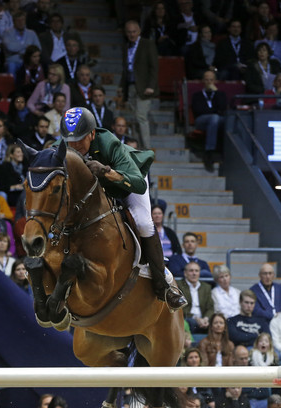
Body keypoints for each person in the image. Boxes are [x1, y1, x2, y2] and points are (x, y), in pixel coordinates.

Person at [58, 106, 186, 309]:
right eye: (69, 140)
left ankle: (165, 285)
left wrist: (107, 171)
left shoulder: (108, 142)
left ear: (92, 134)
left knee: (143, 223)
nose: (73, 145)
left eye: (80, 139)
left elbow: (138, 183)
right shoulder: (63, 146)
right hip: (96, 192)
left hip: (126, 180)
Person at [119, 20, 158, 150]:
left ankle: (146, 149)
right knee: (133, 118)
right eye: (129, 32)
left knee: (141, 117)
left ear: (139, 31)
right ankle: (135, 147)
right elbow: (125, 68)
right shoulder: (126, 46)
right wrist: (121, 86)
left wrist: (151, 85)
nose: (131, 34)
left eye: (134, 31)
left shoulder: (147, 44)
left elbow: (154, 67)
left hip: (144, 87)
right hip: (130, 86)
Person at [192, 70, 227, 172]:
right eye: (207, 80)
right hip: (201, 120)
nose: (209, 82)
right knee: (214, 118)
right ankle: (209, 151)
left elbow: (223, 108)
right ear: (203, 81)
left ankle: (226, 152)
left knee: (227, 120)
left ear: (215, 81)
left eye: (211, 80)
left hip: (217, 120)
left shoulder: (220, 94)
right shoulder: (197, 95)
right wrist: (214, 111)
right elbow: (198, 110)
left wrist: (216, 92)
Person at [177, 261, 214, 333]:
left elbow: (210, 307)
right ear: (185, 273)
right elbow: (180, 307)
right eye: (191, 271)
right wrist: (196, 318)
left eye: (196, 271)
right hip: (187, 318)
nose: (194, 273)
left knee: (217, 323)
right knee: (192, 323)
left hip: (203, 319)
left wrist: (206, 319)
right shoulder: (179, 286)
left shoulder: (206, 287)